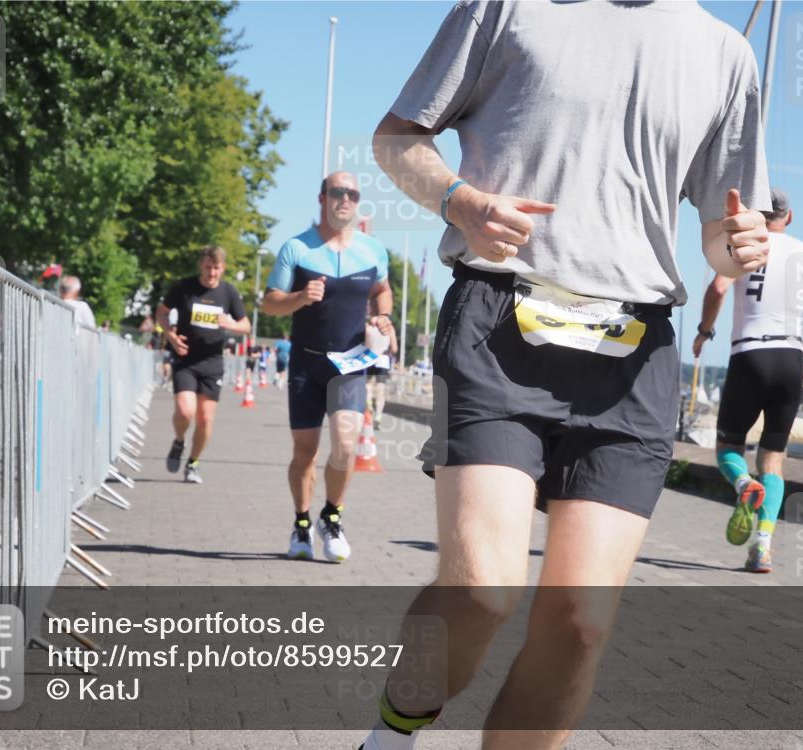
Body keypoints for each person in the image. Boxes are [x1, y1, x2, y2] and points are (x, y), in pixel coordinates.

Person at [366, 2, 771, 748]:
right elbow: (397, 139)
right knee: (481, 591)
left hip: (634, 350)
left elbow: (721, 232)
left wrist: (737, 244)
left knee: (580, 625)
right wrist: (460, 200)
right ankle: (392, 733)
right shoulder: (506, 8)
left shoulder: (725, 54)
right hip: (500, 324)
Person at [693, 187, 803, 573]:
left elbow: (718, 288)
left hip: (749, 354)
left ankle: (742, 486)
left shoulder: (746, 243)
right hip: (789, 357)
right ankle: (763, 545)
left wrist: (705, 332)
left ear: (759, 215)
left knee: (728, 451)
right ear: (788, 218)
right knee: (772, 460)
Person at [262, 172, 394, 562]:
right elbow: (269, 302)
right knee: (305, 450)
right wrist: (300, 297)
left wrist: (383, 316)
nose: (345, 199)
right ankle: (301, 524)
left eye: (353, 193)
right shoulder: (296, 248)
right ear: (322, 198)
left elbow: (382, 290)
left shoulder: (372, 250)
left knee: (346, 443)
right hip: (306, 361)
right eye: (338, 192)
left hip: (351, 363)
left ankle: (331, 517)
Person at [157, 245, 251, 484]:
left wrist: (229, 324)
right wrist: (170, 336)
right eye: (208, 268)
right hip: (186, 359)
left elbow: (246, 326)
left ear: (223, 268)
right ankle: (179, 441)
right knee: (184, 411)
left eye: (216, 269)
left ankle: (193, 463)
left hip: (212, 362)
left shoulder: (228, 292)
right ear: (201, 265)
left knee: (205, 419)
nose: (212, 274)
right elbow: (162, 312)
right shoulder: (184, 288)